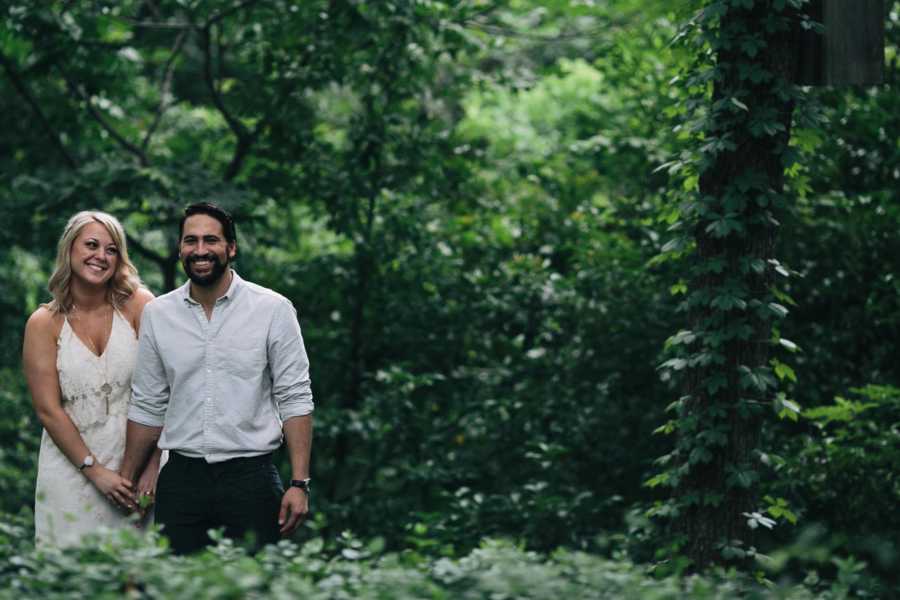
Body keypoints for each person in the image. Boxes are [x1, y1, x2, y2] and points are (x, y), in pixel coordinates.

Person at [120, 202, 314, 555]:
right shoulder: (158, 315)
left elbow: (295, 397)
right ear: (180, 249)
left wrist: (299, 483)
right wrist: (128, 480)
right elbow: (148, 403)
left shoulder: (273, 310)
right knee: (177, 590)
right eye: (190, 241)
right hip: (181, 482)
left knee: (254, 589)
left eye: (211, 240)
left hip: (251, 480)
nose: (200, 250)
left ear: (231, 248)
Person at [22, 211, 158, 546]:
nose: (101, 256)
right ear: (70, 250)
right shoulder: (44, 323)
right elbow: (49, 410)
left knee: (137, 579)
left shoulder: (141, 305)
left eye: (111, 249)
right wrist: (94, 471)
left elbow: (168, 389)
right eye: (92, 245)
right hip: (72, 470)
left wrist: (153, 467)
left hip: (141, 466)